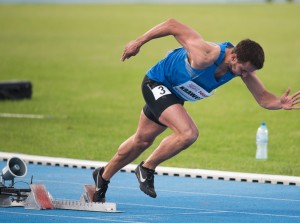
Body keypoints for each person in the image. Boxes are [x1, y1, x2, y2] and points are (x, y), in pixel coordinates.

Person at [92, 18, 300, 202]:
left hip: (174, 95)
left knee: (142, 141)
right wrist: (137, 42)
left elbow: (263, 98)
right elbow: (172, 24)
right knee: (188, 133)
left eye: (249, 72)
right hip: (156, 83)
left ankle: (102, 177)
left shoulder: (241, 71)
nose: (245, 75)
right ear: (234, 57)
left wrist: (280, 103)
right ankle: (146, 167)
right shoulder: (207, 54)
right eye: (244, 70)